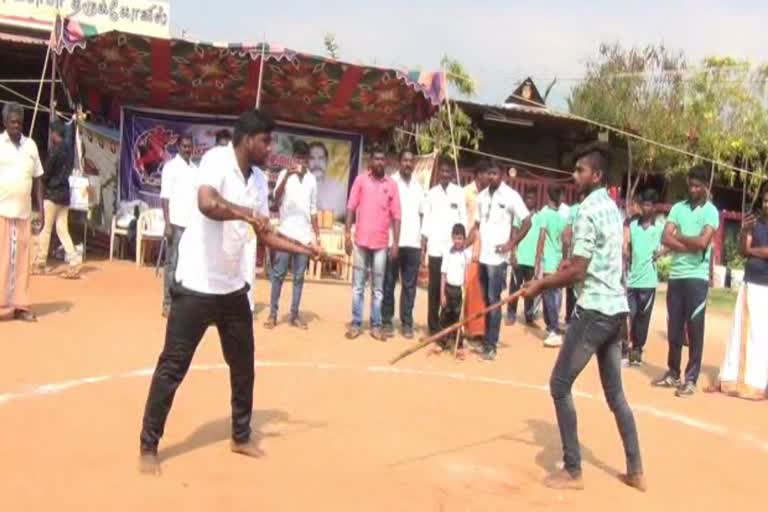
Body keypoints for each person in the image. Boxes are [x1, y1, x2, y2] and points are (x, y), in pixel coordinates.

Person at [139, 110, 319, 475]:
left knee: (244, 365)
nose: (270, 149)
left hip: (233, 289)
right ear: (248, 139)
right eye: (266, 141)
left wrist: (305, 249)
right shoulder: (215, 160)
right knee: (172, 367)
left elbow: (265, 233)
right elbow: (207, 204)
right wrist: (246, 215)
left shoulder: (256, 181)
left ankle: (240, 435)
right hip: (196, 285)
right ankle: (148, 444)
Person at [522, 143, 645, 492]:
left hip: (594, 310)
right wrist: (569, 267)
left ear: (597, 175)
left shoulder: (587, 211)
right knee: (616, 396)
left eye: (580, 171)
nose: (575, 176)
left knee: (559, 386)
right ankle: (635, 469)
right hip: (616, 309)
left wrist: (541, 283)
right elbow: (594, 259)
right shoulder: (612, 208)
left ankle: (573, 468)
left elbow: (578, 271)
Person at [653, 165, 720, 397]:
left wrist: (678, 238)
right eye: (690, 185)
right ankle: (672, 372)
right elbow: (664, 236)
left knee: (694, 329)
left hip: (697, 279)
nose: (692, 189)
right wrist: (687, 245)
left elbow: (703, 243)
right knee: (674, 328)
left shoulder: (711, 212)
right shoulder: (678, 208)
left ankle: (690, 378)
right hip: (677, 276)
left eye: (697, 186)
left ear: (705, 187)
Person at [466, 161, 531, 361]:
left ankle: (491, 346)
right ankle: (486, 339)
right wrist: (464, 245)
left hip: (498, 259)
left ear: (501, 174)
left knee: (494, 302)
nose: (491, 177)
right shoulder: (482, 197)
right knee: (486, 300)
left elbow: (528, 221)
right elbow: (476, 226)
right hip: (483, 257)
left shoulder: (511, 196)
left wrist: (511, 244)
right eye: (489, 174)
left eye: (495, 173)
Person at [712, 184, 768, 400]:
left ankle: (758, 383)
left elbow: (753, 251)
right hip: (751, 283)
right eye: (764, 200)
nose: (766, 204)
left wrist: (753, 251)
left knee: (761, 336)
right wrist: (745, 230)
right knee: (743, 332)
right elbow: (742, 250)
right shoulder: (756, 224)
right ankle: (735, 379)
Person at [344, 144, 401, 341]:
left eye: (382, 159)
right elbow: (351, 207)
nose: (379, 162)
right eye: (376, 159)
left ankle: (376, 325)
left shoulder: (391, 185)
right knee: (358, 285)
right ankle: (356, 323)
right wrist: (346, 235)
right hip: (360, 242)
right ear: (371, 161)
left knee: (378, 288)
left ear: (386, 162)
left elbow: (397, 216)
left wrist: (395, 244)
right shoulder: (360, 180)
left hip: (381, 244)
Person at [265, 140, 319, 329]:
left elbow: (313, 210)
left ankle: (294, 315)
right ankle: (273, 314)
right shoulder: (283, 174)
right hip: (285, 233)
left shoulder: (312, 180)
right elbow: (275, 200)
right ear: (293, 158)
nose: (301, 162)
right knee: (278, 274)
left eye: (304, 159)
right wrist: (287, 175)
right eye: (298, 158)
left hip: (304, 237)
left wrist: (317, 237)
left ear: (308, 161)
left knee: (299, 277)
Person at [0, 102, 44, 322]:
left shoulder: (31, 146)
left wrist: (41, 210)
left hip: (24, 213)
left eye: (19, 121)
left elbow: (38, 179)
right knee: (2, 261)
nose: (16, 125)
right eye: (12, 121)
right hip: (2, 211)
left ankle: (21, 305)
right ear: (5, 123)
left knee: (22, 262)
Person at [421, 158, 467, 336]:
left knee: (452, 291)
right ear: (438, 172)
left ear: (452, 174)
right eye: (443, 171)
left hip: (453, 252)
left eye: (448, 171)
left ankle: (448, 328)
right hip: (435, 249)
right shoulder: (431, 194)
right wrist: (423, 248)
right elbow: (426, 223)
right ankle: (434, 328)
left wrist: (461, 245)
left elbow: (463, 222)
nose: (445, 174)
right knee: (434, 290)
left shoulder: (459, 193)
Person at [382, 150, 424, 339]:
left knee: (409, 286)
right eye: (405, 160)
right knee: (389, 283)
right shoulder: (390, 182)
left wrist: (423, 243)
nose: (408, 163)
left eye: (411, 161)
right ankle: (386, 321)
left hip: (413, 243)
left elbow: (423, 214)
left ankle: (407, 323)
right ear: (399, 162)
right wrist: (389, 241)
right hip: (393, 242)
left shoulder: (418, 185)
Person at [32, 120, 80, 279]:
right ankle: (73, 261)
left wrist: (40, 186)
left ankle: (40, 262)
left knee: (46, 228)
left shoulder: (55, 151)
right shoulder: (69, 150)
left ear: (55, 134)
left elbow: (46, 174)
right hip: (65, 194)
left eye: (52, 132)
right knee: (62, 229)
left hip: (52, 194)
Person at [159, 134, 197, 317]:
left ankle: (183, 304)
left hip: (192, 226)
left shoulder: (195, 169)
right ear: (178, 147)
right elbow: (165, 198)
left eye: (190, 146)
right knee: (172, 264)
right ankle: (167, 303)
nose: (187, 149)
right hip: (175, 223)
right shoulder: (170, 168)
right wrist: (167, 224)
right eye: (184, 146)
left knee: (188, 266)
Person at [626, 189, 664, 366]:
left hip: (648, 281)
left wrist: (661, 253)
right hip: (632, 279)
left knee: (642, 317)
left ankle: (637, 349)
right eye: (644, 204)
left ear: (654, 207)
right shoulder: (633, 225)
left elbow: (673, 240)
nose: (646, 208)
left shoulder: (659, 227)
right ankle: (625, 345)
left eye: (649, 205)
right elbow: (627, 246)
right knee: (628, 315)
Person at [535, 186, 567, 347]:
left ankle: (554, 330)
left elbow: (541, 238)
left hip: (548, 261)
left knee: (548, 296)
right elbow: (566, 240)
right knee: (554, 295)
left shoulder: (544, 214)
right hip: (558, 259)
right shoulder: (562, 218)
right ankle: (551, 326)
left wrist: (536, 261)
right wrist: (565, 259)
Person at [462, 160, 489, 339]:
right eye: (487, 173)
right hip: (468, 245)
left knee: (481, 290)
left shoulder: (489, 196)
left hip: (486, 248)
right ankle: (465, 327)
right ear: (479, 174)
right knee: (467, 289)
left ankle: (479, 329)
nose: (489, 177)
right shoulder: (466, 193)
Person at [434, 223, 470, 357]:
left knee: (457, 319)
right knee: (444, 317)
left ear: (464, 239)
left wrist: (465, 288)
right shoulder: (447, 254)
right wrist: (442, 294)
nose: (457, 241)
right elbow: (443, 275)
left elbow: (466, 274)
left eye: (460, 238)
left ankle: (458, 344)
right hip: (448, 289)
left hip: (459, 291)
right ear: (452, 238)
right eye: (455, 238)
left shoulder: (466, 255)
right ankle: (442, 343)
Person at [507, 187, 539, 326]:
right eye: (526, 198)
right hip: (519, 258)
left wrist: (538, 260)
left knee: (530, 290)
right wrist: (513, 253)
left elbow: (541, 239)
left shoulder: (540, 217)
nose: (528, 201)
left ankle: (529, 316)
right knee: (514, 288)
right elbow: (514, 234)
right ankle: (511, 314)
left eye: (531, 198)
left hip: (532, 261)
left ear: (536, 200)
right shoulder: (520, 216)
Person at [562, 192, 585, 326]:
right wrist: (566, 258)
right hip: (578, 257)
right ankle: (573, 320)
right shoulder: (574, 209)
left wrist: (566, 258)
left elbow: (566, 236)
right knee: (574, 289)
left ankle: (570, 321)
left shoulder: (574, 209)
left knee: (573, 289)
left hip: (578, 257)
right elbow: (566, 236)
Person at [309, 141, 347, 219]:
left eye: (321, 158)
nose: (316, 163)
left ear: (327, 161)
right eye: (312, 158)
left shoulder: (340, 189)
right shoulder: (296, 187)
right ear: (306, 161)